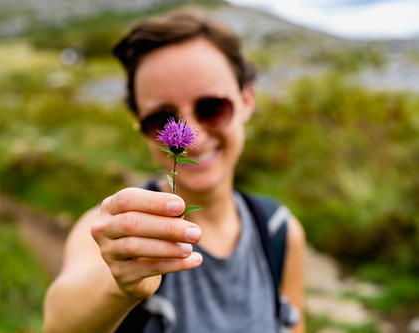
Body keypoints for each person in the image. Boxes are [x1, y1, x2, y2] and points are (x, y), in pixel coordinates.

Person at [44, 9, 305, 333]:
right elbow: (59, 321)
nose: (191, 135)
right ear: (139, 125)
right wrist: (118, 283)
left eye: (211, 107)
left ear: (247, 99)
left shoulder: (279, 231)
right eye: (161, 119)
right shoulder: (109, 230)